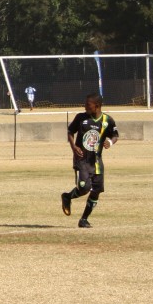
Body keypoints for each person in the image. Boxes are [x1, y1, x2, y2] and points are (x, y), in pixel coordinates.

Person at [61, 93, 119, 229]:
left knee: (96, 190)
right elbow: (70, 132)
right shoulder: (80, 118)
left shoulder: (107, 120)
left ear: (97, 106)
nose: (85, 107)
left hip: (96, 161)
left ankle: (84, 219)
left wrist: (110, 142)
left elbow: (115, 135)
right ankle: (67, 197)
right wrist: (73, 147)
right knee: (84, 188)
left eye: (88, 105)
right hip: (81, 160)